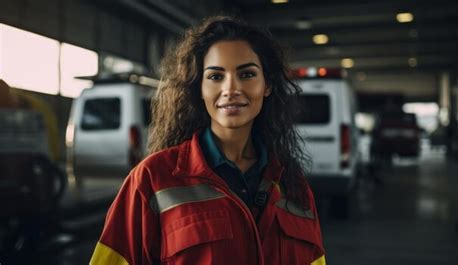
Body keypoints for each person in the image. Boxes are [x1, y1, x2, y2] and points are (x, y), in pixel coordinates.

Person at [90, 16, 326, 265]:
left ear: (267, 85)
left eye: (247, 74)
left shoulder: (293, 185)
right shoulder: (152, 180)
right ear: (199, 88)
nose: (231, 88)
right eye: (215, 76)